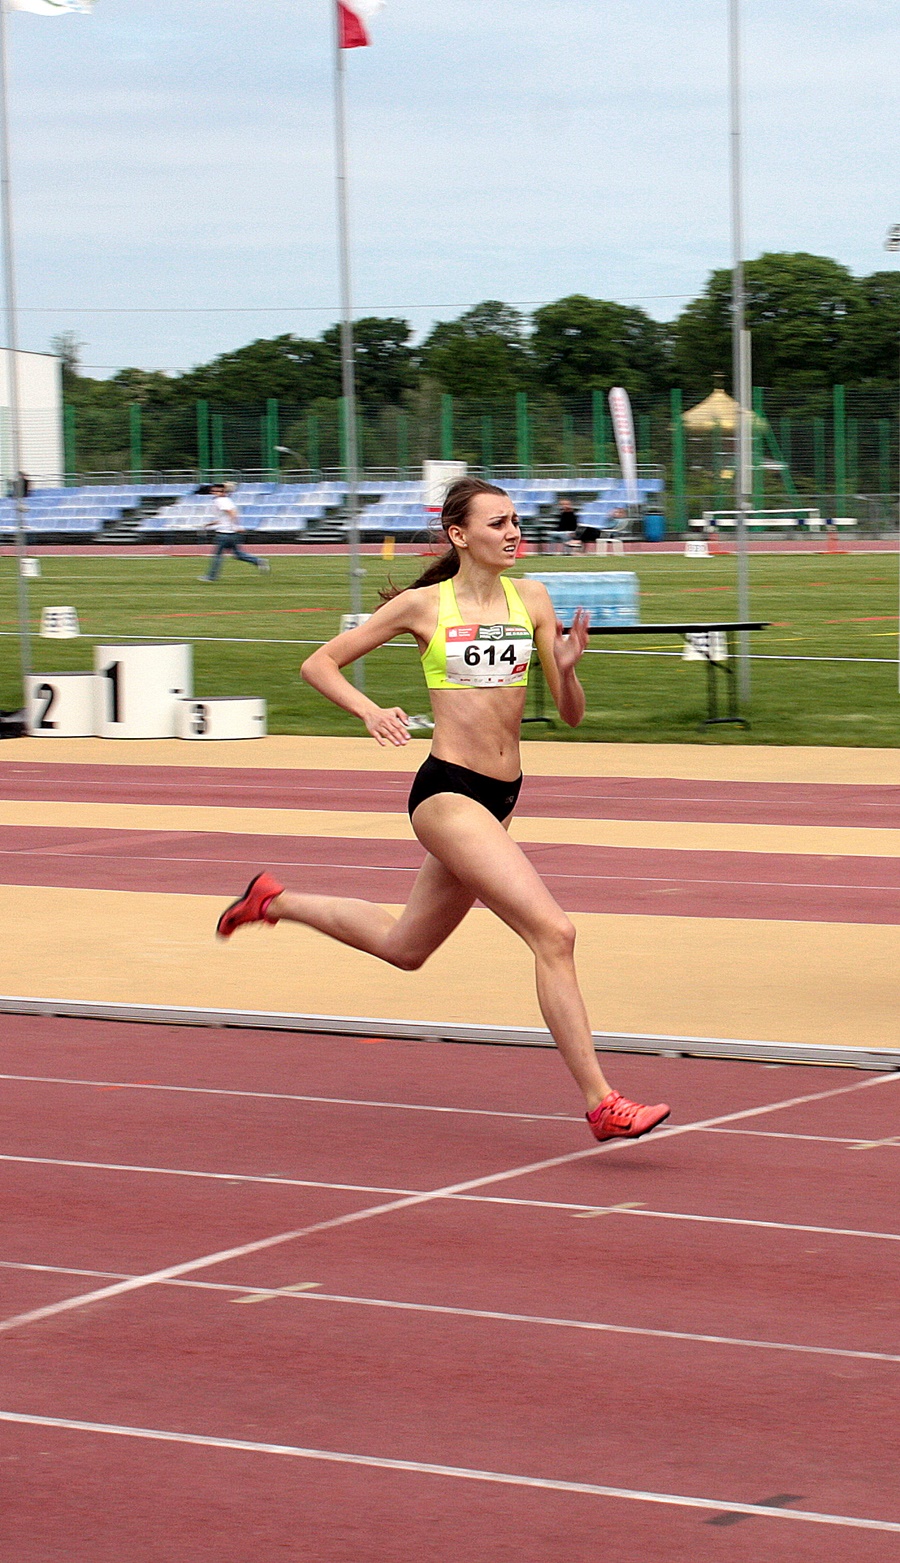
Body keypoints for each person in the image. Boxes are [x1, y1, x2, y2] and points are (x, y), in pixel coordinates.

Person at [217, 477, 670, 1144]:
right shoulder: (423, 606)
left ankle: (273, 901)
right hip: (447, 793)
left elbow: (571, 716)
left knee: (406, 947)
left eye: (515, 521)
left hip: (503, 795)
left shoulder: (533, 598)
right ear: (459, 535)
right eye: (497, 523)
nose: (513, 533)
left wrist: (569, 669)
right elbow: (320, 663)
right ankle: (602, 1101)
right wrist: (369, 710)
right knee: (554, 933)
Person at [198, 482, 270, 582]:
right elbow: (224, 518)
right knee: (238, 554)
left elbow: (232, 513)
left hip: (225, 533)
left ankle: (211, 577)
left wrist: (234, 526)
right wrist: (209, 524)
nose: (215, 492)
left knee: (218, 555)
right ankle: (258, 561)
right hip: (232, 533)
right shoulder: (226, 500)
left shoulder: (220, 501)